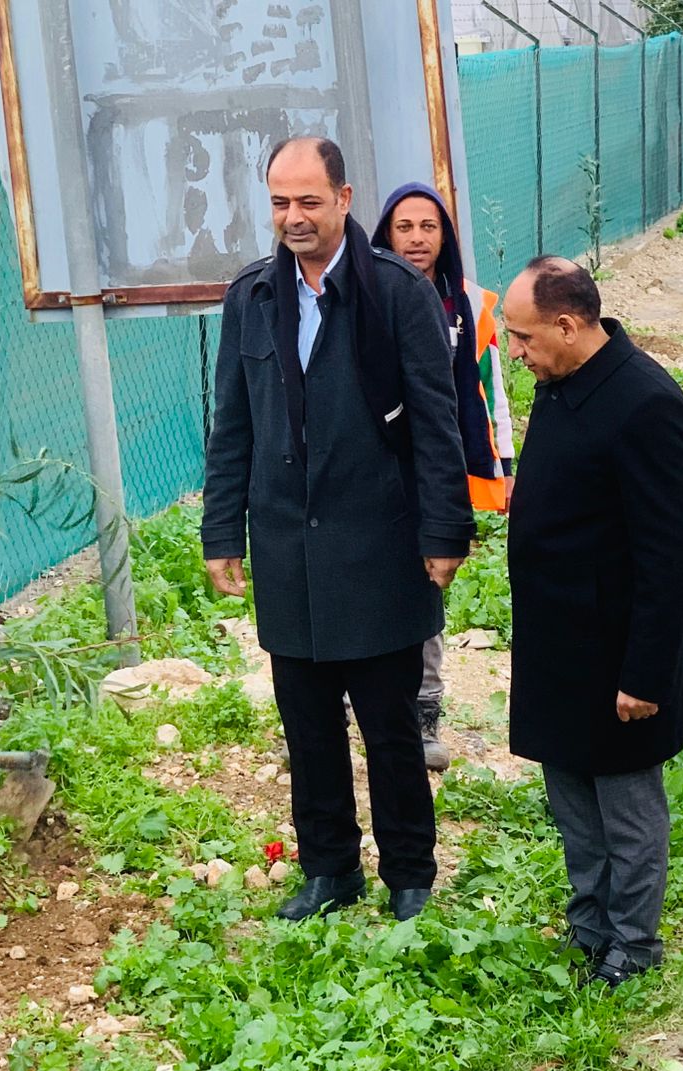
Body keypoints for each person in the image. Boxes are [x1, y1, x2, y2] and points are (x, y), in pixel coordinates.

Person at [201, 137, 475, 923]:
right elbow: (232, 423)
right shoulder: (252, 296)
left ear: (345, 199)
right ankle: (329, 870)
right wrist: (222, 532)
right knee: (308, 726)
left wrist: (444, 532)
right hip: (288, 547)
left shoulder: (395, 293)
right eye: (280, 202)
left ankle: (409, 874)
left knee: (391, 727)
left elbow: (437, 421)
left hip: (380, 543)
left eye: (309, 201)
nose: (294, 217)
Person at [502, 256, 683, 988]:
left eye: (524, 337)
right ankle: (590, 930)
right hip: (558, 644)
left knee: (625, 807)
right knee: (574, 804)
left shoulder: (645, 401)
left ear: (567, 325)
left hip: (616, 651)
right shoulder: (562, 383)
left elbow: (669, 552)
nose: (516, 353)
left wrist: (644, 672)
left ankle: (634, 945)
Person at [371, 183, 516, 773]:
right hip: (373, 472)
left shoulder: (470, 305)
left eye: (428, 227)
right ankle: (350, 706)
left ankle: (424, 712)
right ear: (386, 234)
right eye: (404, 227)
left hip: (435, 474)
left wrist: (504, 466)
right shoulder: (362, 295)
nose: (416, 238)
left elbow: (488, 390)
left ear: (445, 236)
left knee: (425, 586)